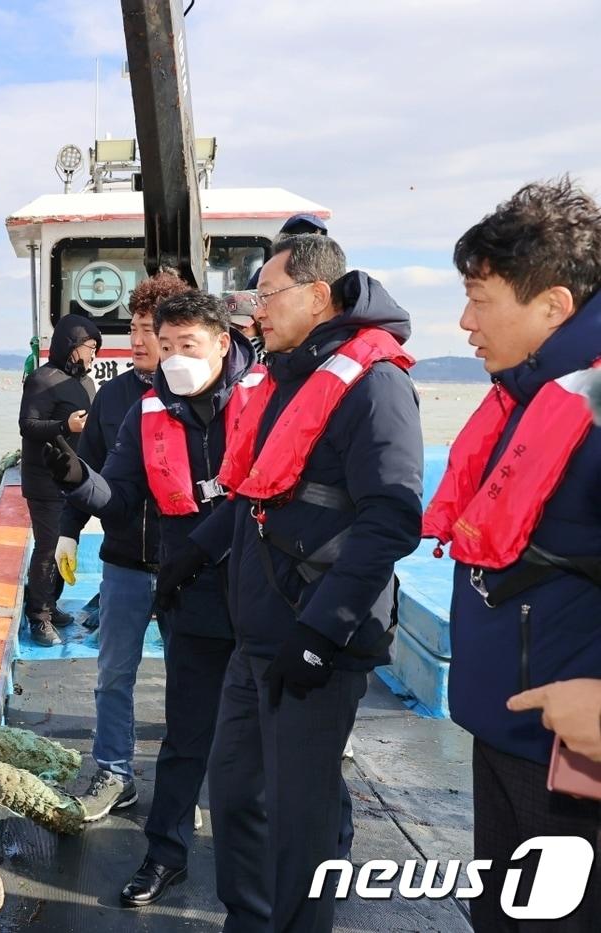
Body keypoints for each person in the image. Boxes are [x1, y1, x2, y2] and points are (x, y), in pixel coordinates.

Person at [160, 235, 423, 932]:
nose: (256, 311)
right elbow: (255, 494)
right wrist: (191, 554)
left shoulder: (375, 386)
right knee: (236, 789)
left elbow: (393, 518)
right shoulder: (287, 377)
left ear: (317, 294)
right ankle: (250, 919)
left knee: (300, 816)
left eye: (268, 295)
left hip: (315, 640)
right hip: (257, 635)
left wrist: (319, 632)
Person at [424, 177, 601, 932]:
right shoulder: (529, 393)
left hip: (571, 762)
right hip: (504, 739)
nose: (464, 321)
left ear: (554, 306)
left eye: (481, 298)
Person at [49, 289, 260, 906]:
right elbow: (117, 496)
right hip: (189, 597)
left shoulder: (266, 401)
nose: (172, 359)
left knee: (271, 740)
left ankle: (302, 857)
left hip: (262, 597)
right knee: (185, 737)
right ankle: (165, 854)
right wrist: (77, 484)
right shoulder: (145, 411)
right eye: (164, 346)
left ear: (223, 343)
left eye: (186, 346)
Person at [54, 271, 190, 820]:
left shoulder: (206, 397)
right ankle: (114, 772)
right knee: (113, 674)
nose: (137, 341)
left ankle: (185, 782)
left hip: (190, 566)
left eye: (149, 330)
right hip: (124, 564)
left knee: (191, 678)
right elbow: (87, 472)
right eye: (132, 329)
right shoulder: (111, 397)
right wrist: (68, 528)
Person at [18, 312, 102, 646]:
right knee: (48, 547)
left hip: (74, 476)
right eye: (89, 346)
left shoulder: (85, 382)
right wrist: (65, 426)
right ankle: (38, 617)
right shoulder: (42, 379)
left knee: (67, 545)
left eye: (95, 347)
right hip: (43, 479)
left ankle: (51, 605)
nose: (93, 353)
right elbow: (28, 425)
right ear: (71, 346)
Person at [247, 213, 329, 290]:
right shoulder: (265, 274)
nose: (301, 249)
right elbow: (247, 301)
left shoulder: (331, 274)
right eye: (294, 242)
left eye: (310, 243)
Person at [224, 291, 265, 362]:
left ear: (259, 325)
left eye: (241, 327)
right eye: (228, 329)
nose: (235, 334)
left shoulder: (277, 363)